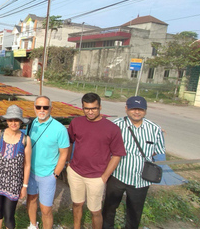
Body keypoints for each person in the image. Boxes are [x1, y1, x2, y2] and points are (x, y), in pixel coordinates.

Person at [102, 96, 166, 229]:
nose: (136, 112)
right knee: (109, 208)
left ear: (145, 111)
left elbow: (156, 151)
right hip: (118, 176)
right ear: (126, 109)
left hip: (141, 180)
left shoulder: (154, 129)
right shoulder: (116, 125)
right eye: (133, 109)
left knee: (135, 213)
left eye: (140, 109)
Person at [67, 92, 126, 229]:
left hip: (96, 177)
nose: (90, 112)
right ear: (82, 107)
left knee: (95, 210)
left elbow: (117, 154)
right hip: (76, 172)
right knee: (77, 203)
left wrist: (104, 176)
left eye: (94, 108)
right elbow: (69, 142)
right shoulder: (76, 122)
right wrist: (68, 162)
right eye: (86, 108)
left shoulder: (112, 129)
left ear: (100, 107)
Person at [0, 105, 32, 229]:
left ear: (21, 121)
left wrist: (24, 186)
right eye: (10, 120)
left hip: (14, 182)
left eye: (16, 120)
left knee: (9, 214)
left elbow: (27, 165)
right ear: (6, 121)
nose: (13, 123)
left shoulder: (25, 140)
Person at [26, 96, 70, 229]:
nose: (42, 110)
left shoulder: (59, 129)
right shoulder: (31, 124)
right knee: (31, 200)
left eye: (45, 107)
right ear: (34, 108)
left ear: (51, 108)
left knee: (46, 209)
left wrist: (55, 175)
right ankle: (33, 225)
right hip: (31, 172)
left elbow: (64, 154)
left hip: (47, 175)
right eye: (38, 107)